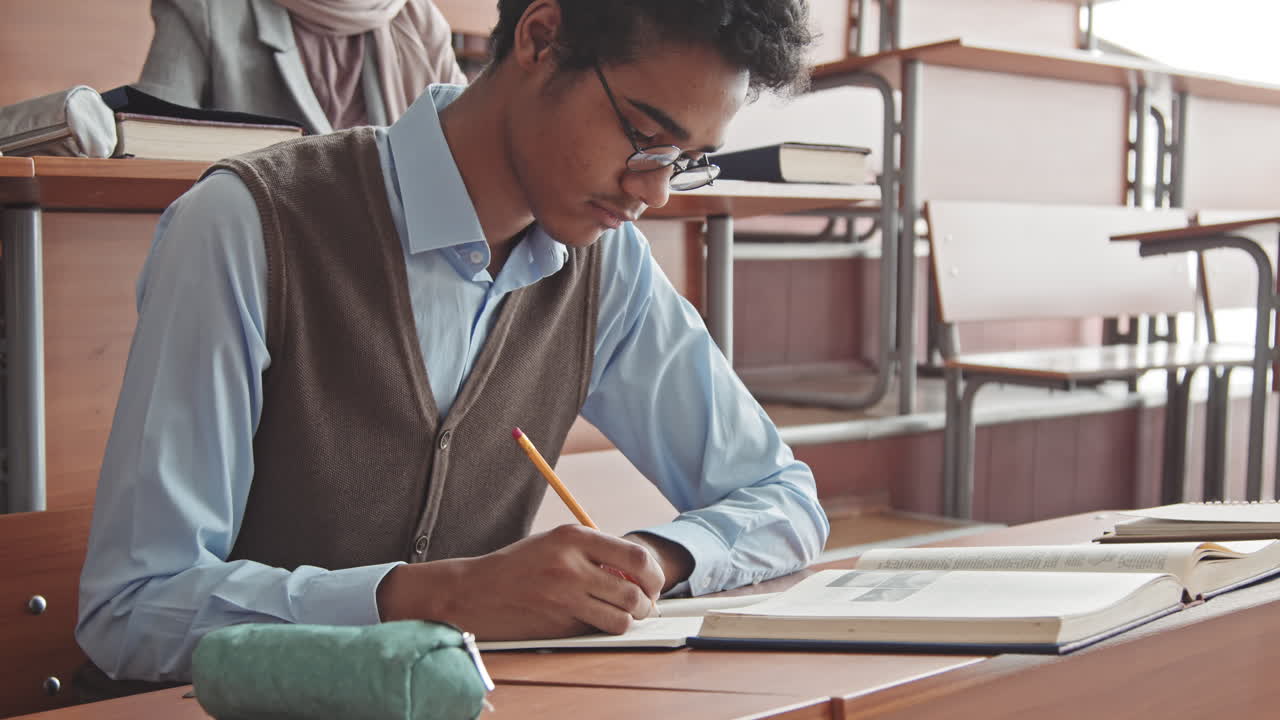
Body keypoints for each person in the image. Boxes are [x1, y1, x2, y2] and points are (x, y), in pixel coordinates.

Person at [78, 0, 829, 687]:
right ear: (541, 37)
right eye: (644, 135)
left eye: (684, 160)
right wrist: (443, 597)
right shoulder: (243, 226)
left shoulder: (609, 266)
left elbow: (784, 499)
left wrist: (646, 565)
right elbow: (133, 608)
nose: (654, 191)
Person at [136, 0, 467, 134]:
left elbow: (466, 159)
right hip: (258, 252)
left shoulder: (419, 20)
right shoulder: (208, 7)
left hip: (395, 263)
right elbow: (152, 141)